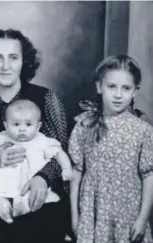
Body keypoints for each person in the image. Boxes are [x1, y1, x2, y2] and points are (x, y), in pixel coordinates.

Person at [0, 28, 69, 243]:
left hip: (40, 193)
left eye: (13, 58)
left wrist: (43, 177)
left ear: (24, 62)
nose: (5, 66)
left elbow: (62, 151)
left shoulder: (47, 98)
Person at [69, 55, 153, 243]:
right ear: (99, 87)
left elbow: (149, 176)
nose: (118, 94)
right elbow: (76, 172)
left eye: (126, 88)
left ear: (135, 92)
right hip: (93, 215)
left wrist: (142, 219)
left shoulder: (143, 130)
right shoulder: (84, 125)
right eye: (111, 86)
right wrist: (75, 215)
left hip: (128, 214)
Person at [0, 99, 72, 224]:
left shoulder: (42, 140)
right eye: (16, 124)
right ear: (6, 125)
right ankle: (3, 209)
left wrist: (66, 168)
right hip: (6, 178)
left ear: (38, 126)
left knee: (31, 200)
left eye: (28, 125)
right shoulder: (2, 136)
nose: (22, 129)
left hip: (30, 181)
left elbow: (59, 153)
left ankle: (23, 213)